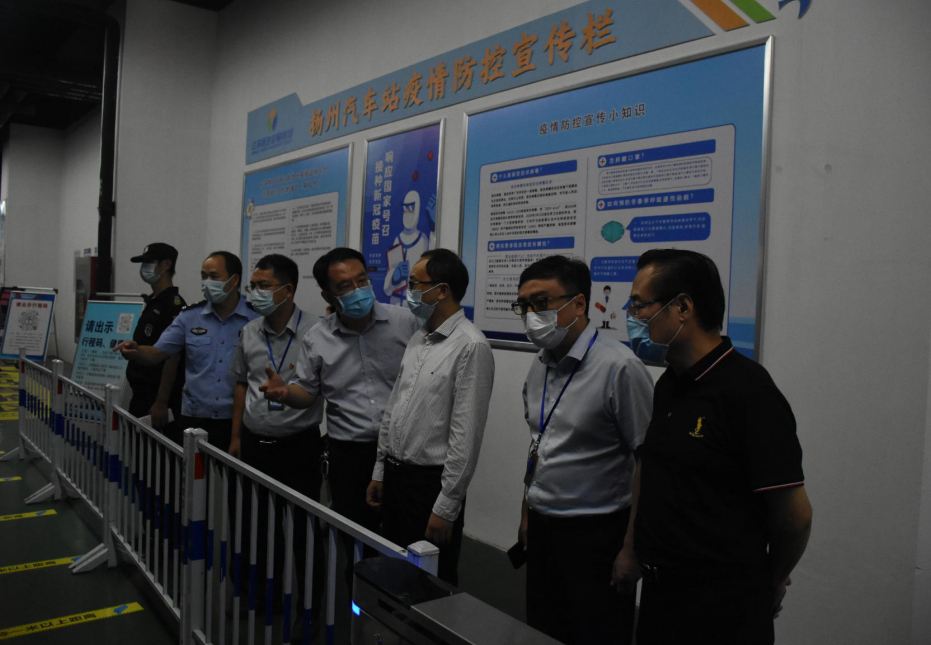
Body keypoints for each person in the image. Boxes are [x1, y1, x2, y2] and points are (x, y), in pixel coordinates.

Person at [613, 249, 812, 645]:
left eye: (639, 305)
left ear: (682, 307)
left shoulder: (748, 391)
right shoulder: (671, 382)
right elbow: (650, 468)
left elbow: (795, 516)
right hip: (662, 594)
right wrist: (630, 549)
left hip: (723, 608)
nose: (632, 316)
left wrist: (769, 581)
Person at [514, 255, 653, 645]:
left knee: (594, 633)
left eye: (541, 303)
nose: (531, 315)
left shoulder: (620, 368)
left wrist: (631, 549)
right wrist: (527, 511)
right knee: (542, 629)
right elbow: (539, 441)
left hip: (597, 536)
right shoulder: (540, 364)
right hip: (543, 527)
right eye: (524, 306)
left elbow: (648, 462)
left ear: (578, 304)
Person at [260, 247, 420, 542]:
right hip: (349, 454)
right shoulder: (317, 339)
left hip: (402, 450)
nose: (357, 290)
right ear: (328, 296)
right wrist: (286, 393)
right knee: (355, 535)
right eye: (345, 286)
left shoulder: (407, 323)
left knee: (405, 535)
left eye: (362, 280)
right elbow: (307, 392)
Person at [365, 249, 494, 585]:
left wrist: (446, 506)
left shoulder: (471, 346)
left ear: (441, 291)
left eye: (414, 284)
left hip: (429, 487)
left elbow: (466, 437)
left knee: (430, 583)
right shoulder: (419, 337)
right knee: (394, 573)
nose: (408, 291)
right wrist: (380, 470)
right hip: (396, 478)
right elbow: (395, 407)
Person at [228, 253, 324, 623]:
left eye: (263, 286)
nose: (254, 292)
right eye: (253, 285)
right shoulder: (250, 331)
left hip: (299, 446)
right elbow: (242, 384)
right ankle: (265, 600)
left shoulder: (317, 331)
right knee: (258, 529)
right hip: (256, 445)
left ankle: (309, 610)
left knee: (303, 532)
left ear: (287, 290)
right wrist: (236, 436)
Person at [115, 251, 259, 447]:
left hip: (238, 420)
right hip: (195, 418)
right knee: (190, 468)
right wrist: (137, 351)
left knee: (233, 468)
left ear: (234, 280)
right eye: (204, 276)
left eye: (214, 276)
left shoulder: (256, 319)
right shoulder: (189, 317)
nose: (207, 282)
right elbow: (158, 353)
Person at [125, 243, 186, 439]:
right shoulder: (154, 300)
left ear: (166, 265)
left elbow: (173, 356)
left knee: (154, 452)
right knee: (137, 449)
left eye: (149, 262)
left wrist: (161, 401)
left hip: (156, 398)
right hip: (141, 393)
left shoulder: (173, 304)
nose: (144, 268)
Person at [382, 189, 435, 304]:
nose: (407, 213)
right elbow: (387, 288)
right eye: (405, 209)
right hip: (395, 305)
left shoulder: (423, 240)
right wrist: (395, 277)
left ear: (417, 209)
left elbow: (433, 269)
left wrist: (433, 227)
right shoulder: (397, 240)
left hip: (414, 306)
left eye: (411, 208)